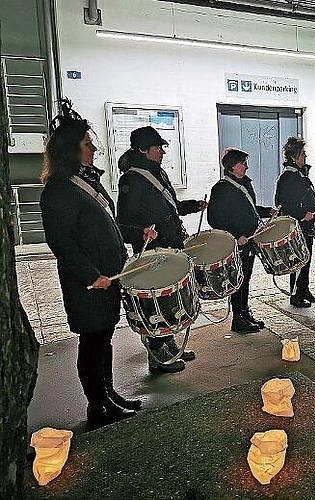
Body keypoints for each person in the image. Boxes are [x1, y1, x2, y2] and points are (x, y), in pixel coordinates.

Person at [40, 100, 138, 426]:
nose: (93, 148)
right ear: (71, 149)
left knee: (103, 339)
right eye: (87, 143)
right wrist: (91, 276)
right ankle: (97, 405)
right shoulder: (58, 189)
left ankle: (108, 393)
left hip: (107, 278)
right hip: (88, 283)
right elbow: (62, 242)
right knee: (92, 343)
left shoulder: (85, 182)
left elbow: (108, 225)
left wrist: (140, 232)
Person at [116, 126, 207, 373]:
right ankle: (157, 356)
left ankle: (169, 344)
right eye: (158, 148)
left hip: (170, 247)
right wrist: (142, 231)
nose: (162, 152)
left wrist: (193, 205)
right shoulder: (131, 180)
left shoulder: (159, 173)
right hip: (152, 252)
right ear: (143, 150)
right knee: (155, 303)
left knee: (169, 303)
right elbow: (123, 222)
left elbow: (172, 207)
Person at [208, 148, 276, 333]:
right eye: (243, 163)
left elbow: (250, 209)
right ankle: (237, 320)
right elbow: (214, 219)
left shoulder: (244, 183)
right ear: (232, 166)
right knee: (237, 280)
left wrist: (267, 211)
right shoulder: (221, 188)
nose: (246, 166)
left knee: (245, 279)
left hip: (249, 241)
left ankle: (245, 313)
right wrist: (236, 236)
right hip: (236, 244)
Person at [275, 136, 315, 307]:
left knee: (306, 258)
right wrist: (302, 214)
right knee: (298, 260)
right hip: (298, 225)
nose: (305, 156)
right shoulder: (288, 177)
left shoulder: (299, 174)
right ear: (294, 156)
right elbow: (282, 202)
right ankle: (296, 295)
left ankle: (304, 289)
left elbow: (303, 197)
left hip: (307, 224)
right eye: (302, 154)